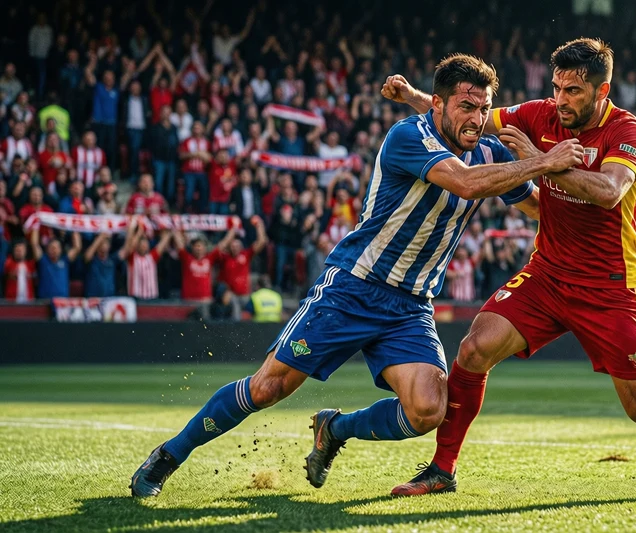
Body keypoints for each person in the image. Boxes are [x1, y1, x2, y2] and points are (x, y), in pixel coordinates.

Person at [129, 53, 585, 498]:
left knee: (428, 410)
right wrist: (545, 161)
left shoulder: (487, 149)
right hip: (352, 288)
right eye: (467, 106)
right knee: (269, 387)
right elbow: (466, 183)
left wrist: (618, 225)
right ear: (439, 104)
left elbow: (537, 208)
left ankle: (335, 428)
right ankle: (168, 456)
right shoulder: (408, 136)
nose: (477, 118)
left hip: (409, 307)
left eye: (484, 109)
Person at [384, 38, 636, 497]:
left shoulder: (628, 131)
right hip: (548, 274)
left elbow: (607, 192)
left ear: (602, 91)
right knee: (475, 348)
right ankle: (442, 470)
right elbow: (470, 118)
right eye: (557, 87)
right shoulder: (541, 114)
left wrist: (540, 164)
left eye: (574, 91)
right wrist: (414, 97)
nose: (561, 100)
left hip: (610, 287)